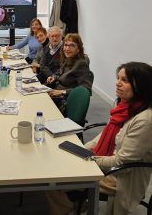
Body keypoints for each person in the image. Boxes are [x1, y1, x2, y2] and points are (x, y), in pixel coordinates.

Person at [46, 62, 152, 215]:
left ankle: (66, 208)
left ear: (142, 86)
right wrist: (83, 149)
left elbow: (121, 161)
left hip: (120, 176)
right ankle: (72, 206)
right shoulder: (124, 106)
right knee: (54, 164)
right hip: (106, 162)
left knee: (52, 178)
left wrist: (89, 159)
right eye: (118, 78)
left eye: (125, 80)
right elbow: (105, 134)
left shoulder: (145, 120)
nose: (118, 83)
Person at [47, 33, 92, 113]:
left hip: (64, 100)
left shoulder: (81, 64)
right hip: (55, 93)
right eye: (66, 45)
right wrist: (54, 76)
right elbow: (60, 72)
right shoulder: (68, 58)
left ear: (78, 49)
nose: (67, 48)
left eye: (72, 45)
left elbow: (86, 89)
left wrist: (62, 92)